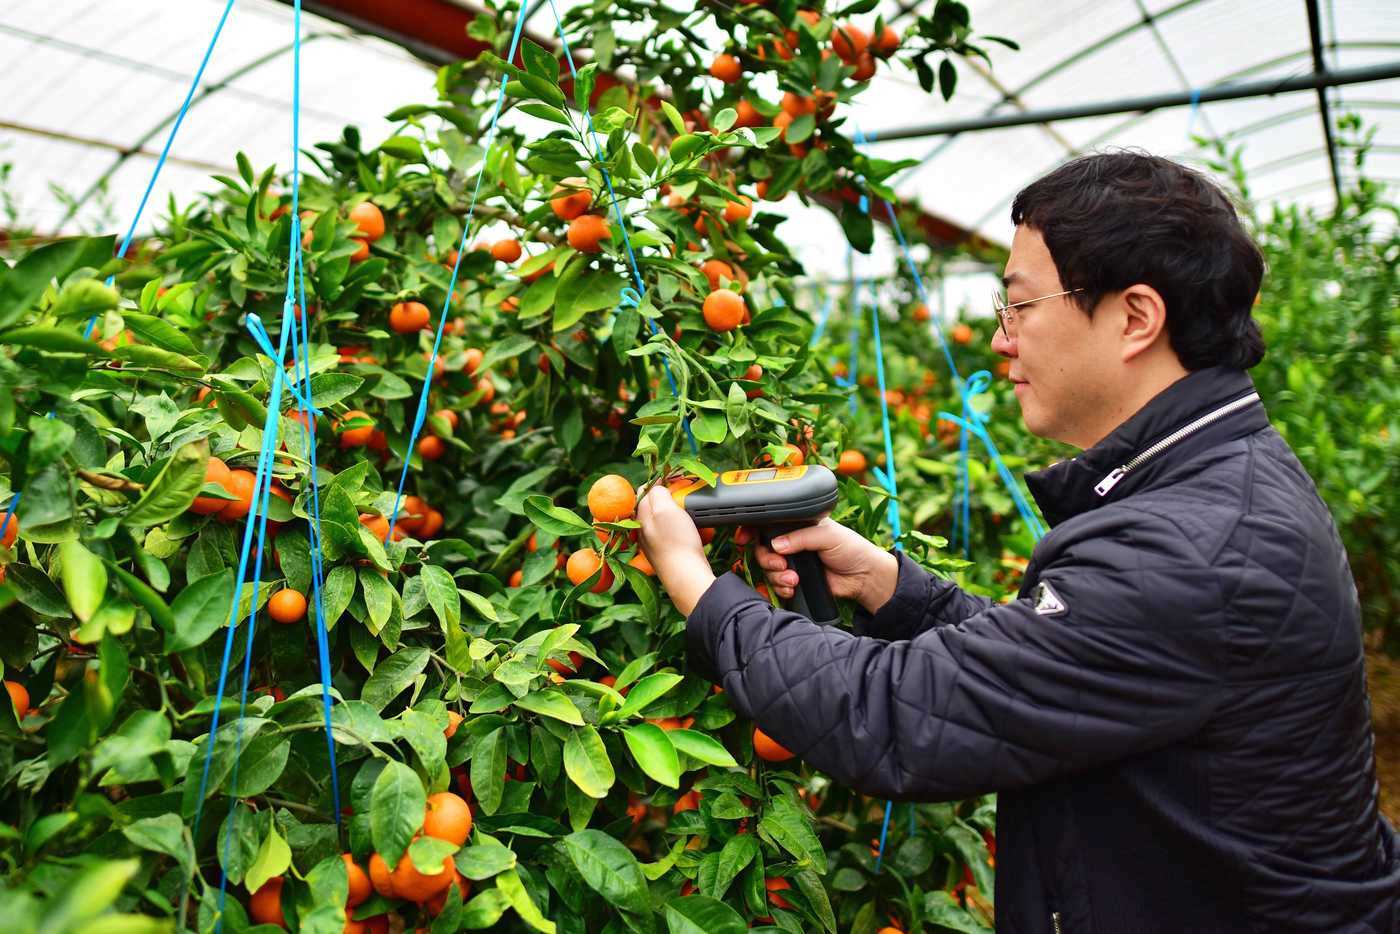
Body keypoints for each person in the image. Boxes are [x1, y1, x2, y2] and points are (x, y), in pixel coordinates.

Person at [636, 152, 1400, 933]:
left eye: (1021, 305)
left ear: (1136, 318)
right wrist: (886, 586)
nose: (1001, 340)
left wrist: (703, 592)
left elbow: (901, 716)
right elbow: (1064, 668)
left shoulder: (1193, 544)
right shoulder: (1209, 484)